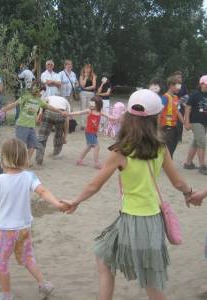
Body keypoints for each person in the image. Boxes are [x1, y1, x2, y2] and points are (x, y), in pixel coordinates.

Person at [62, 89, 197, 300]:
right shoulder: (160, 148)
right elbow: (178, 182)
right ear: (155, 118)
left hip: (134, 220)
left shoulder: (121, 151)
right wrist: (190, 193)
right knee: (106, 258)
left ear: (128, 118)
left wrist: (75, 200)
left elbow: (94, 185)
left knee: (149, 284)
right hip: (146, 220)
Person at [0, 138, 68, 300]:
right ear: (24, 158)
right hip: (24, 229)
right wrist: (57, 204)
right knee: (27, 258)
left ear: (3, 159)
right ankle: (44, 284)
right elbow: (43, 192)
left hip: (6, 231)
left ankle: (6, 295)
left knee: (0, 263)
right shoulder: (29, 176)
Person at [0, 86, 67, 165]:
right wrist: (3, 110)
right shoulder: (25, 97)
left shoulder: (39, 101)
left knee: (33, 145)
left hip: (31, 126)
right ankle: (9, 161)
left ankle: (26, 162)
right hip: (22, 125)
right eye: (42, 92)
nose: (43, 94)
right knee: (19, 146)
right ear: (38, 91)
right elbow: (14, 104)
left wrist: (60, 111)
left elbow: (49, 107)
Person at [69, 96, 109, 169]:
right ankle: (96, 163)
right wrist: (69, 114)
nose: (91, 105)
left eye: (93, 104)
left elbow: (109, 116)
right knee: (97, 146)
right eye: (91, 103)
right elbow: (79, 112)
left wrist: (116, 118)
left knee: (89, 146)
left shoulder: (100, 112)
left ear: (98, 105)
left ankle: (79, 160)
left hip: (93, 133)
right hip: (89, 132)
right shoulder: (89, 111)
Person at [35, 95, 70, 166]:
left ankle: (39, 157)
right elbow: (67, 121)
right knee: (59, 135)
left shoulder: (49, 97)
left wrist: (40, 113)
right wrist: (65, 137)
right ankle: (56, 153)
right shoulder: (66, 101)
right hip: (61, 113)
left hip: (49, 111)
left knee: (42, 136)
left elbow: (43, 104)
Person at [184, 75, 207, 175]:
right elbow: (187, 108)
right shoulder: (195, 94)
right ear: (201, 84)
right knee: (201, 142)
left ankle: (188, 163)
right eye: (206, 84)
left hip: (204, 122)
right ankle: (202, 166)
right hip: (196, 121)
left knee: (196, 142)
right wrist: (187, 122)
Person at [160, 75, 183, 158]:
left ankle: (168, 160)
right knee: (168, 146)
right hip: (166, 126)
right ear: (170, 85)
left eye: (179, 86)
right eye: (177, 86)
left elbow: (177, 111)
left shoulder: (176, 97)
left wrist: (184, 122)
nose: (178, 88)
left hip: (174, 126)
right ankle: (167, 163)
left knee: (173, 144)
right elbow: (160, 112)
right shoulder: (165, 97)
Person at [79, 64, 97, 129]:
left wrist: (86, 88)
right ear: (84, 69)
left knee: (91, 108)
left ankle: (89, 123)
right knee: (83, 108)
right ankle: (82, 124)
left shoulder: (93, 76)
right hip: (83, 94)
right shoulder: (81, 76)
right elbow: (82, 85)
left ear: (91, 69)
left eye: (89, 68)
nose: (87, 69)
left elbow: (94, 86)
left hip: (91, 94)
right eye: (86, 68)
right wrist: (86, 77)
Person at [173, 71, 188, 143]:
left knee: (180, 122)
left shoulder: (183, 86)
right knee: (173, 121)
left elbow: (186, 96)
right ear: (174, 77)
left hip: (181, 106)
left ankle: (179, 138)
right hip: (172, 106)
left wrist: (180, 101)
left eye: (181, 77)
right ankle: (173, 137)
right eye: (178, 77)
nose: (180, 78)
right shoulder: (172, 85)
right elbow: (173, 94)